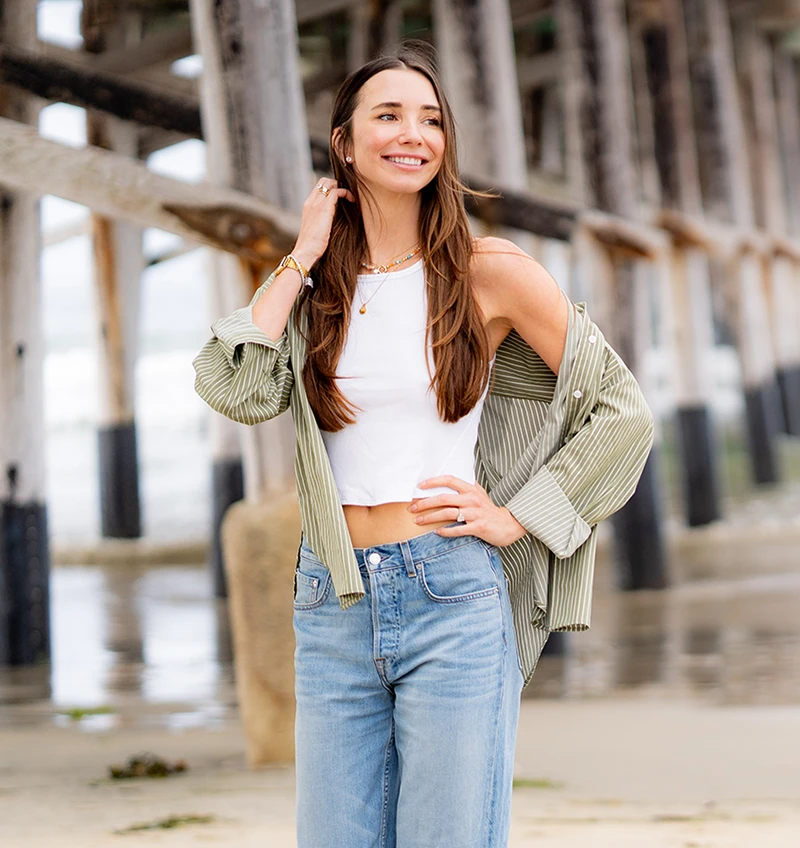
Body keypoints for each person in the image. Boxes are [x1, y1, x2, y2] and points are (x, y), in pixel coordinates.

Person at [193, 41, 653, 848]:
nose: (415, 134)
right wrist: (300, 253)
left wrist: (519, 515)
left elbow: (622, 411)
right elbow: (236, 389)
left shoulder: (490, 271)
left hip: (449, 590)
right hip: (330, 597)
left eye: (431, 119)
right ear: (344, 143)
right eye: (389, 115)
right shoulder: (315, 288)